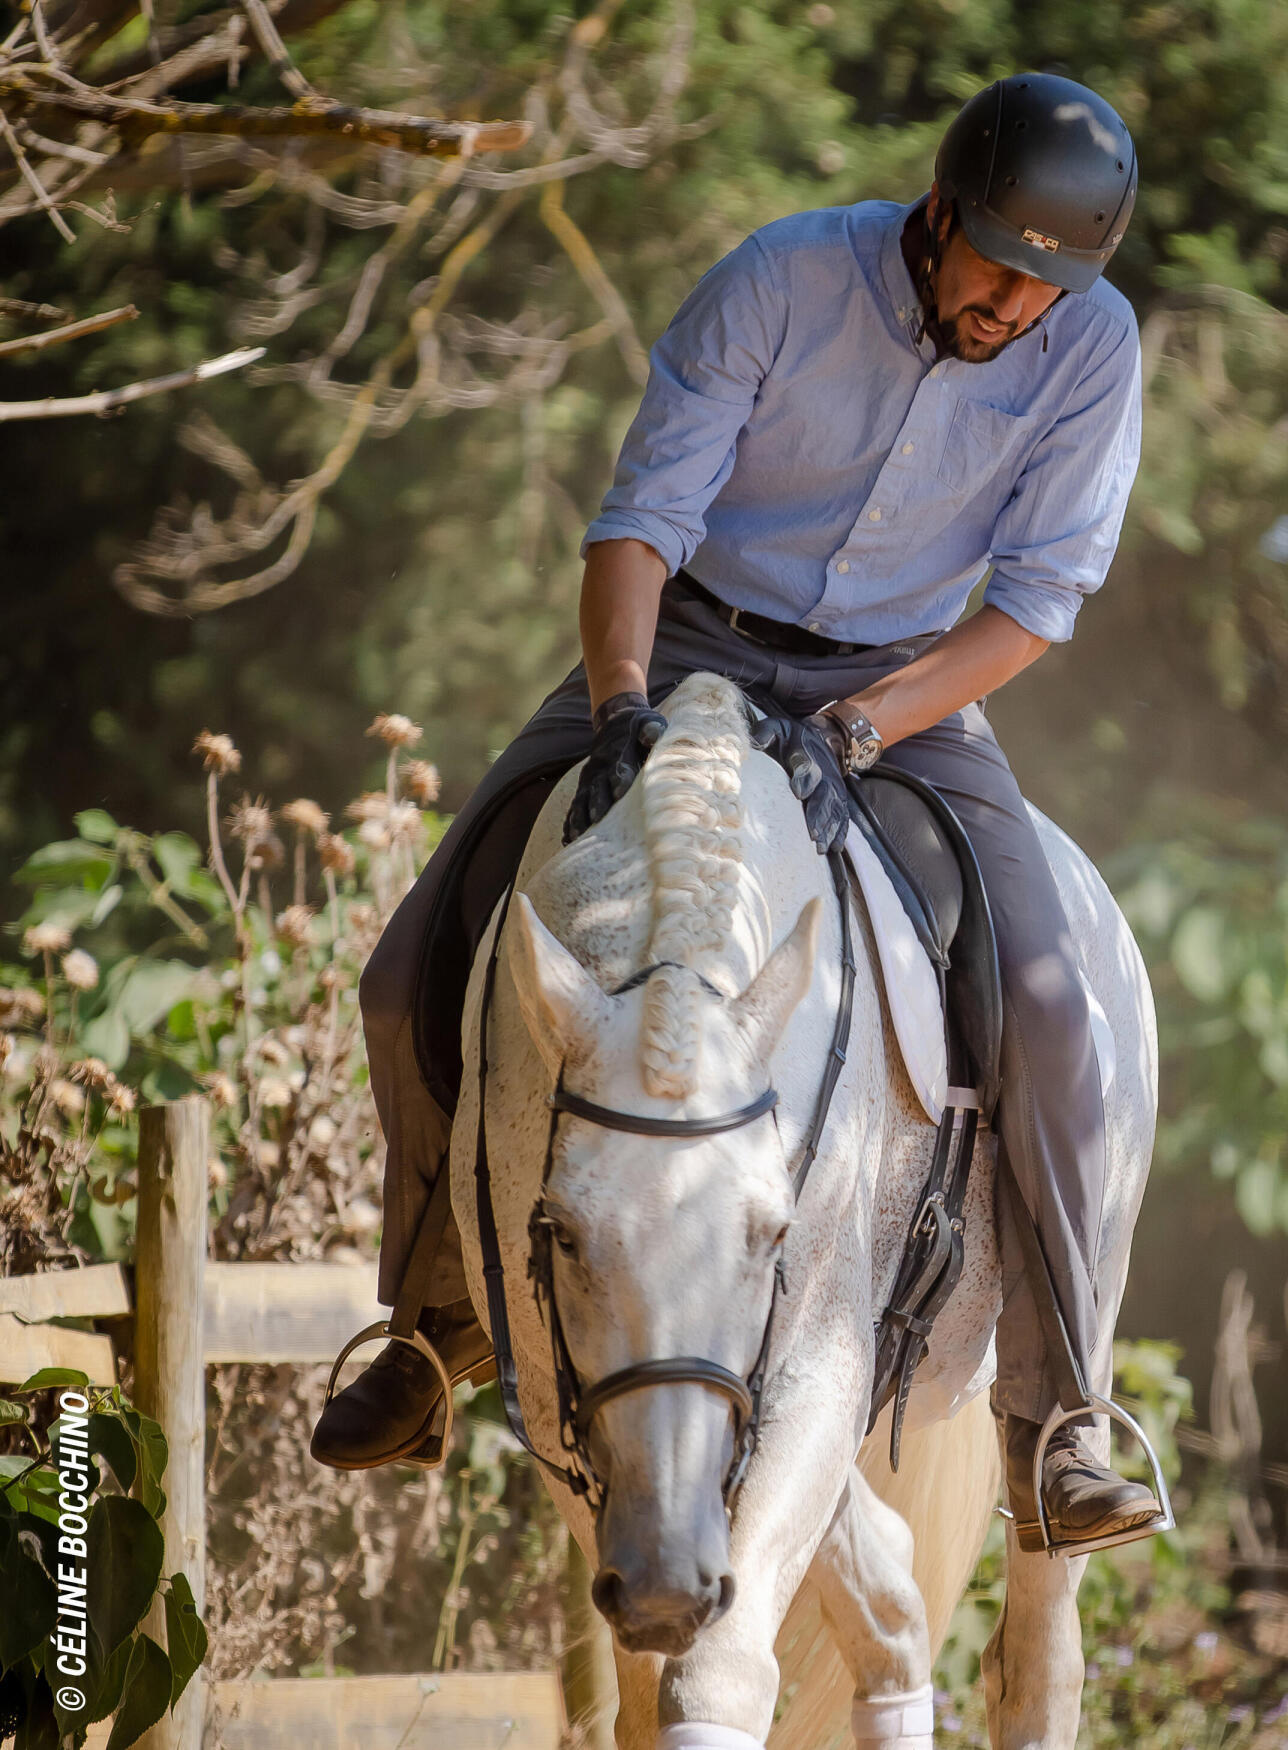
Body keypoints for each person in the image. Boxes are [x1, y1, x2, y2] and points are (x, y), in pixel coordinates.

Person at [312, 71, 1160, 1555]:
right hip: (686, 639)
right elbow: (640, 522)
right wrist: (625, 697)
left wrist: (866, 720)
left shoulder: (1091, 346)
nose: (1018, 307)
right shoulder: (780, 277)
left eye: (1050, 286)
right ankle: (430, 1322)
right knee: (407, 968)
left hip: (903, 689)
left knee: (1044, 993)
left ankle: (1062, 1411)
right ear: (941, 212)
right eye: (1001, 270)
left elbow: (1032, 606)